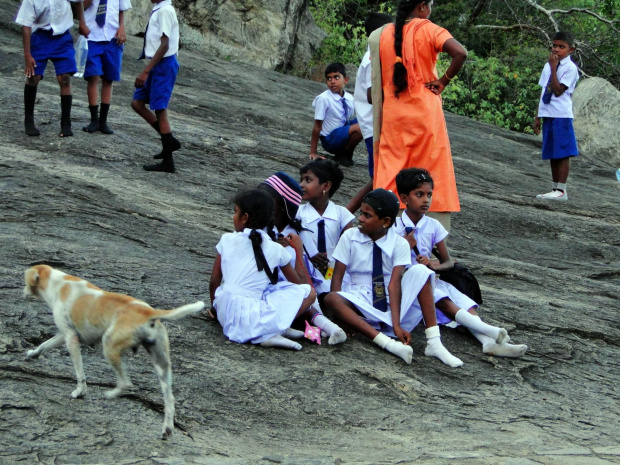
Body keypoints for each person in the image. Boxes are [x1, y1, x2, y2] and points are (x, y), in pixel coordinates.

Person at [394, 168, 528, 358]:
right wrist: (405, 246)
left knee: (463, 301)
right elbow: (387, 260)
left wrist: (434, 265)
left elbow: (448, 262)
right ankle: (490, 330)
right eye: (419, 194)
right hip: (409, 283)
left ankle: (487, 342)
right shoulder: (394, 226)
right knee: (443, 299)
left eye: (429, 195)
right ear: (404, 198)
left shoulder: (433, 226)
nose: (426, 200)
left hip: (430, 277)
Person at [324, 188, 463, 367]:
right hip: (359, 298)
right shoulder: (350, 236)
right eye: (361, 213)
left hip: (392, 302)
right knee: (332, 298)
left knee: (422, 271)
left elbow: (394, 285)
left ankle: (434, 342)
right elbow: (337, 278)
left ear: (385, 221)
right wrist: (340, 317)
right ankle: (387, 343)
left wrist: (397, 325)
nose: (361, 219)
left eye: (367, 215)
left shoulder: (399, 243)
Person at [371, 0, 467, 232]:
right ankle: (430, 230)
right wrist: (444, 80)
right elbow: (460, 53)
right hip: (425, 115)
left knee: (392, 168)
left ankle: (385, 223)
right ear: (422, 6)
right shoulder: (429, 29)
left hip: (394, 115)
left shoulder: (382, 34)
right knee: (429, 168)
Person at [209, 189, 318, 350]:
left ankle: (270, 330)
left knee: (269, 290)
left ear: (244, 218)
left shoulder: (227, 239)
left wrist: (215, 308)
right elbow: (298, 284)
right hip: (252, 314)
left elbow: (214, 281)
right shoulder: (276, 249)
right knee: (310, 293)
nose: (233, 217)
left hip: (225, 311)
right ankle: (271, 331)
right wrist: (298, 251)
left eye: (235, 212)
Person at [259, 172, 347, 345]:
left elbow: (309, 269)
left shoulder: (295, 231)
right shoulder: (261, 227)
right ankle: (321, 326)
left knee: (301, 289)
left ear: (282, 206)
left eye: (267, 200)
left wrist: (297, 249)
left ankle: (327, 326)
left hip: (297, 279)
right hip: (271, 284)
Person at [16, 0, 90, 137]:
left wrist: (82, 23)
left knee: (65, 79)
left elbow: (78, 1)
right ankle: (29, 120)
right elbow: (26, 25)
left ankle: (66, 124)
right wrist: (28, 55)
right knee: (33, 77)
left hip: (62, 38)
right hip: (40, 37)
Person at [347, 12, 393, 213]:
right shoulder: (372, 58)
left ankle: (348, 214)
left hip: (375, 125)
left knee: (377, 177)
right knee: (379, 178)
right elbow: (371, 95)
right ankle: (363, 215)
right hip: (374, 126)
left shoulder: (377, 54)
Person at [131, 0, 181, 173]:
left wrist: (145, 71)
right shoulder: (159, 9)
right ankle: (170, 142)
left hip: (163, 65)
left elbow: (165, 44)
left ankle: (168, 162)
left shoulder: (165, 10)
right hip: (156, 64)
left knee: (160, 110)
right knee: (137, 103)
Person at [533, 31, 579, 202]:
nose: (557, 50)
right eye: (555, 45)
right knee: (552, 151)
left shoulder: (570, 68)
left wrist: (553, 67)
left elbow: (559, 90)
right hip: (548, 113)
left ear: (571, 49)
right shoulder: (548, 65)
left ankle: (562, 189)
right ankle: (555, 188)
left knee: (563, 152)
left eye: (562, 47)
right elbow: (544, 89)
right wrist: (538, 116)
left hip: (561, 114)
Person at [297, 159, 355, 291]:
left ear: (326, 186)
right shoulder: (298, 213)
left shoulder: (341, 214)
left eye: (308, 180)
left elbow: (351, 245)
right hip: (306, 271)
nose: (301, 184)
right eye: (301, 180)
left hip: (334, 272)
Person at [82, 0, 132, 134]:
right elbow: (82, 7)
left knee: (108, 78)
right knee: (93, 76)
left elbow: (121, 9)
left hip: (113, 37)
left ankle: (103, 121)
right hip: (92, 36)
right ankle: (94, 119)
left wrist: (122, 27)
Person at [310, 63, 363, 167]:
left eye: (336, 77)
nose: (332, 82)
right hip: (330, 139)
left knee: (366, 123)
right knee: (361, 127)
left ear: (345, 80)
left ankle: (347, 153)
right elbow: (317, 126)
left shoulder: (349, 98)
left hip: (341, 132)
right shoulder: (324, 99)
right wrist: (313, 152)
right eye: (329, 79)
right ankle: (342, 154)